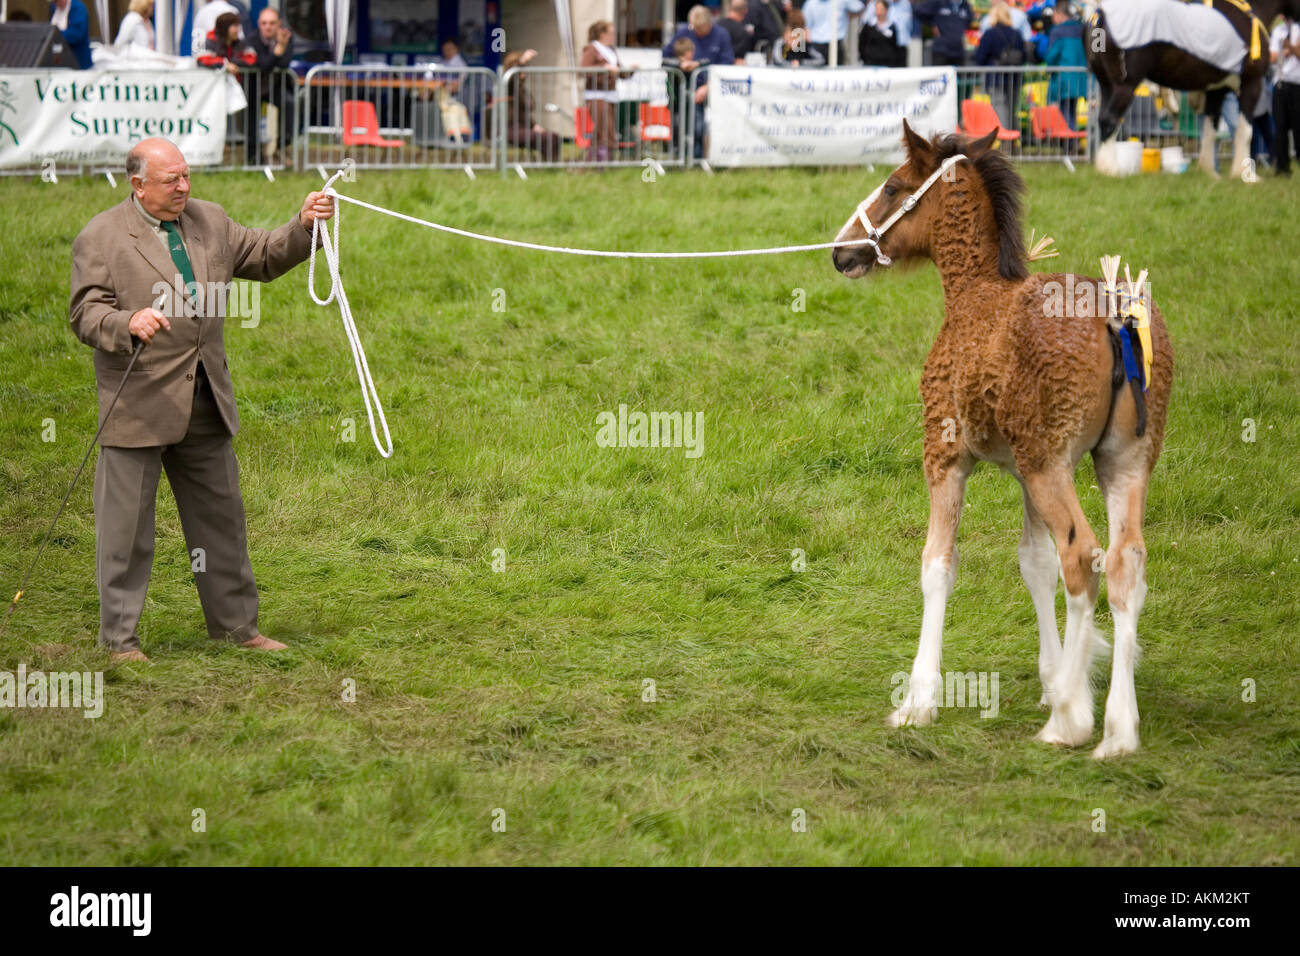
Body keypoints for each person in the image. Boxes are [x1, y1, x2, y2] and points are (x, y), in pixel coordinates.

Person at [68, 138, 336, 662]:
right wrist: (127, 321)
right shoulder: (100, 236)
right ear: (137, 184)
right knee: (125, 532)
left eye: (187, 177)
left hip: (206, 398)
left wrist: (305, 225)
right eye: (172, 181)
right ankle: (120, 641)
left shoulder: (209, 220)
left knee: (221, 520)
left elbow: (261, 255)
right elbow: (84, 313)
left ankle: (238, 627)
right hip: (137, 405)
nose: (184, 188)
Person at [247, 7, 297, 165]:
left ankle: (281, 146)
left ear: (279, 24)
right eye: (264, 23)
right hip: (253, 87)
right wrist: (278, 50)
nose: (268, 26)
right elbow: (263, 65)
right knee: (251, 121)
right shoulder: (251, 40)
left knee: (289, 103)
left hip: (275, 86)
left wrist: (278, 52)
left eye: (272, 23)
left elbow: (283, 64)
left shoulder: (286, 37)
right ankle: (254, 159)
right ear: (259, 24)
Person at [580, 20, 634, 164]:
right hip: (596, 96)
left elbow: (620, 73)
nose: (613, 36)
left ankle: (592, 162)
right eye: (611, 33)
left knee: (600, 131)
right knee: (606, 130)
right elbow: (584, 70)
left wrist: (630, 70)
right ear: (602, 34)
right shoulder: (592, 49)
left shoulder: (611, 50)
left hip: (610, 96)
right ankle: (605, 163)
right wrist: (605, 68)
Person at [496, 49, 563, 161]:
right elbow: (512, 76)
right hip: (510, 129)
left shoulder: (521, 89)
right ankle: (547, 165)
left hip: (524, 127)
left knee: (553, 136)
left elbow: (523, 114)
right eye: (521, 70)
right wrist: (521, 60)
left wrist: (534, 126)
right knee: (544, 138)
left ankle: (551, 167)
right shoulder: (508, 85)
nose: (524, 73)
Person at [975, 2, 1029, 130]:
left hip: (995, 79)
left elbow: (980, 57)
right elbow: (1024, 55)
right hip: (1014, 78)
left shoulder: (990, 34)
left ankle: (1005, 141)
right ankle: (1013, 139)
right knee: (1011, 110)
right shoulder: (1017, 34)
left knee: (1000, 109)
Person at [1044, 2, 1087, 130]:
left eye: (1054, 14)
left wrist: (1048, 68)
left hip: (1063, 79)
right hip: (1081, 77)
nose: (1052, 18)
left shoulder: (1057, 31)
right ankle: (1072, 139)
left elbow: (1052, 56)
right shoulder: (1083, 29)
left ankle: (1069, 142)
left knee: (1065, 111)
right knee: (1071, 110)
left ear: (1059, 14)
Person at [1272, 13, 1300, 175]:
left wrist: (1287, 46)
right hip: (1280, 83)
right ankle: (1282, 167)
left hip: (1297, 83)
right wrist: (1292, 49)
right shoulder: (1277, 31)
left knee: (1298, 127)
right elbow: (1271, 57)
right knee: (1280, 127)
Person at [801, 0, 865, 65]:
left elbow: (860, 8)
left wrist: (849, 16)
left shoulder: (842, 1)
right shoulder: (810, 3)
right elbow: (805, 27)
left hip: (836, 44)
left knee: (837, 73)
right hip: (816, 46)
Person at [913, 0, 973, 67]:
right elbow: (918, 11)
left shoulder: (965, 5)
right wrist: (932, 24)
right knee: (939, 76)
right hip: (941, 51)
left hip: (958, 52)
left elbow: (969, 21)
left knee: (958, 76)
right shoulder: (939, 2)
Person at [436, 38, 473, 140]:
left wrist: (444, 85)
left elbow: (455, 87)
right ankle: (455, 138)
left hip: (456, 99)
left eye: (450, 49)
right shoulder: (443, 62)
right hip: (445, 99)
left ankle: (458, 137)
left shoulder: (460, 64)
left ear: (456, 49)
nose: (447, 52)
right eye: (445, 49)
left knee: (451, 111)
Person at [48, 0, 92, 69]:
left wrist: (55, 35)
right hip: (61, 60)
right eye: (54, 2)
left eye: (57, 1)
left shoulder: (78, 8)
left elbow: (77, 34)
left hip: (78, 62)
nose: (56, 4)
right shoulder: (53, 8)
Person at [860, 0, 901, 66]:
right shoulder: (869, 26)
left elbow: (895, 45)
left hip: (887, 63)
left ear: (886, 10)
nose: (878, 11)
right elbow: (862, 44)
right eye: (877, 8)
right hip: (871, 62)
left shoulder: (891, 27)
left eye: (881, 9)